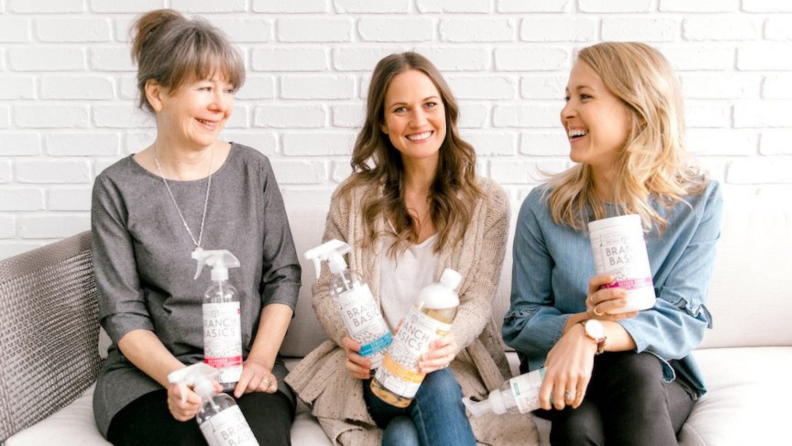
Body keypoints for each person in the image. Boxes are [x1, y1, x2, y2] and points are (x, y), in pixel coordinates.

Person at [286, 52, 538, 446]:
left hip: (451, 366)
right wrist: (349, 340)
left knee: (405, 434)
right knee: (428, 383)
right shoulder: (353, 199)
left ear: (446, 111)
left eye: (429, 105)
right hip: (371, 372)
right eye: (401, 109)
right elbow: (325, 289)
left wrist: (446, 343)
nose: (419, 121)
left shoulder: (487, 202)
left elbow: (477, 299)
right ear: (383, 123)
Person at [91, 9, 300, 445]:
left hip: (244, 370)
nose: (220, 104)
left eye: (227, 89)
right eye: (204, 88)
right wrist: (178, 378)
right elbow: (122, 311)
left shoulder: (252, 170)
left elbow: (282, 275)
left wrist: (260, 361)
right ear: (157, 94)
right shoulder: (117, 187)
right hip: (150, 377)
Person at [502, 42, 723, 445]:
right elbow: (520, 323)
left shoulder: (697, 200)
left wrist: (591, 334)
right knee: (578, 423)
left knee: (633, 370)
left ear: (637, 110)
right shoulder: (543, 207)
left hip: (657, 377)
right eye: (568, 96)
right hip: (567, 378)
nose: (566, 110)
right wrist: (575, 326)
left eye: (584, 96)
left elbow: (684, 319)